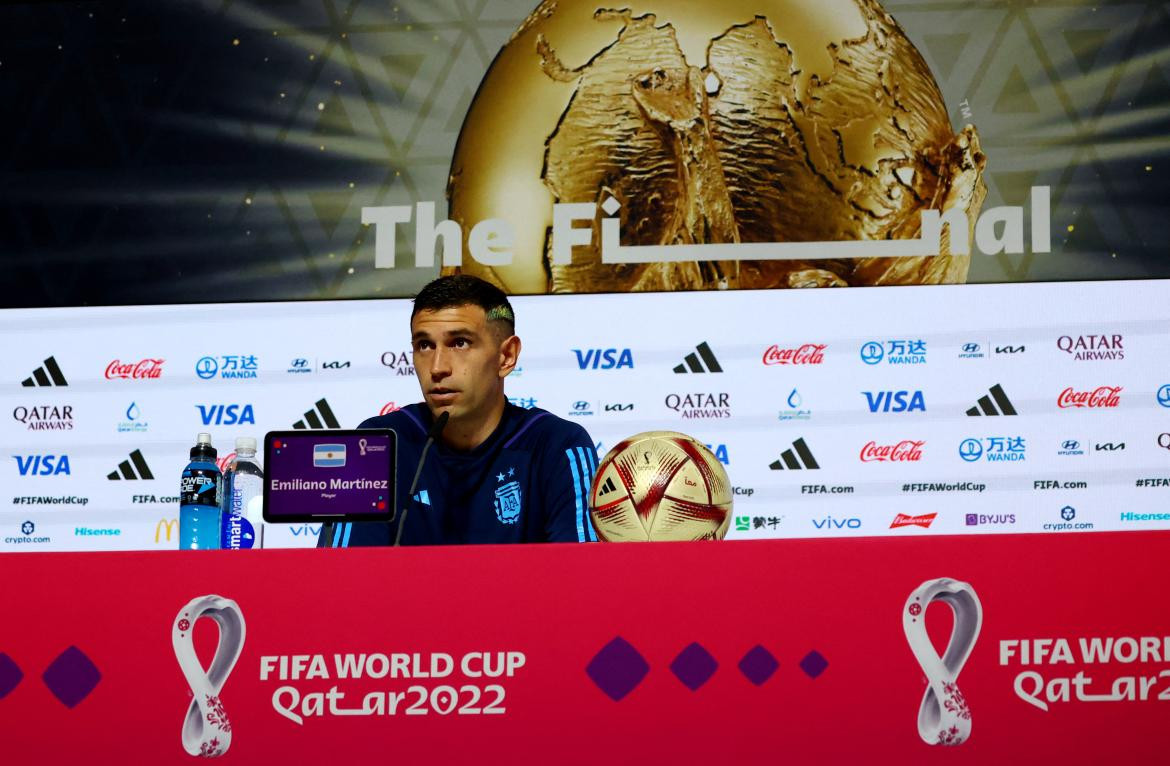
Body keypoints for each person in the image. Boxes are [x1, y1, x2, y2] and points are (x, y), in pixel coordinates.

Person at [319, 275, 599, 547]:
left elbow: (584, 578)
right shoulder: (376, 446)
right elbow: (339, 579)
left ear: (507, 356)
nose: (438, 367)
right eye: (424, 345)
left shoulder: (558, 445)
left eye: (460, 343)